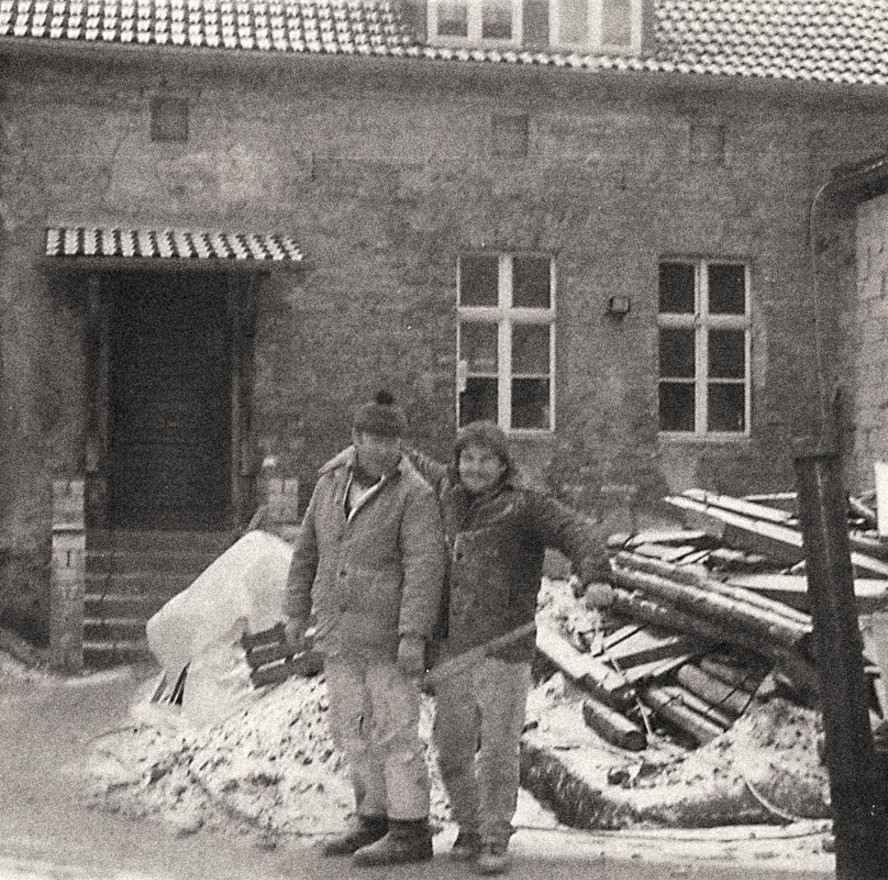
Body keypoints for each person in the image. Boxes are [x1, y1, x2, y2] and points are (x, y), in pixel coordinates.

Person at [408, 420, 612, 875]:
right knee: (452, 748)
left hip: (505, 649)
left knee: (499, 749)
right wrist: (380, 436)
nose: (476, 468)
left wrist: (596, 574)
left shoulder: (524, 506)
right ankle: (471, 826)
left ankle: (496, 835)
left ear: (503, 465)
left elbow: (576, 530)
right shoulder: (449, 492)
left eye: (486, 460)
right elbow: (411, 458)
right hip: (455, 649)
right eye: (468, 459)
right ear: (457, 462)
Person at [283, 391, 446, 867]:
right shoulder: (330, 484)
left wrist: (413, 634)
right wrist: (296, 612)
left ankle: (411, 829)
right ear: (356, 439)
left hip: (388, 641)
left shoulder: (414, 494)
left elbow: (424, 567)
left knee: (396, 734)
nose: (383, 448)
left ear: (401, 444)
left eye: (392, 440)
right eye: (374, 438)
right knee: (351, 731)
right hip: (338, 634)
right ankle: (371, 818)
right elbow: (306, 552)